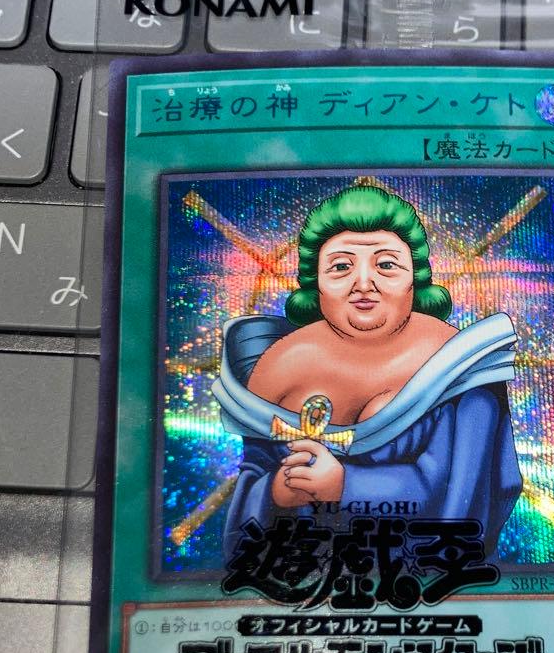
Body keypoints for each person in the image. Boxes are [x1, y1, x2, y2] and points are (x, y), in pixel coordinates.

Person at [212, 183, 522, 563]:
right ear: (315, 282)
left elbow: (463, 497)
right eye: (341, 267)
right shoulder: (273, 366)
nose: (363, 284)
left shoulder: (460, 370)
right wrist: (275, 491)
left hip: (414, 572)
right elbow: (254, 479)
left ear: (414, 279)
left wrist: (346, 486)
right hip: (302, 568)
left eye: (386, 265)